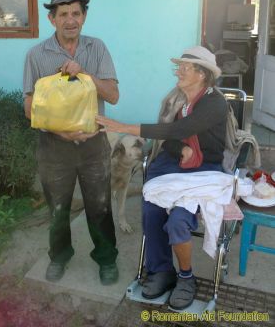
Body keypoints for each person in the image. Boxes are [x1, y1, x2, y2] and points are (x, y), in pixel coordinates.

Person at [96, 46, 228, 308]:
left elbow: (178, 128)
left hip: (204, 169)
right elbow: (170, 139)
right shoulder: (176, 99)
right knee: (152, 209)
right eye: (178, 67)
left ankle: (187, 277)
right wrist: (182, 147)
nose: (178, 72)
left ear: (202, 74)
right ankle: (161, 271)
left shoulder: (214, 102)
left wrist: (123, 126)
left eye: (184, 68)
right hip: (175, 164)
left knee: (178, 219)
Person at [23, 0, 119, 285]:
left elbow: (113, 96)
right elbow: (29, 107)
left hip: (94, 146)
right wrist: (61, 132)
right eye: (63, 14)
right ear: (52, 18)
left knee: (100, 206)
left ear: (84, 16)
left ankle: (106, 259)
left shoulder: (97, 48)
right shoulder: (36, 55)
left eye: (76, 13)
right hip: (54, 147)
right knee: (58, 208)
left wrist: (85, 73)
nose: (70, 20)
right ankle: (60, 256)